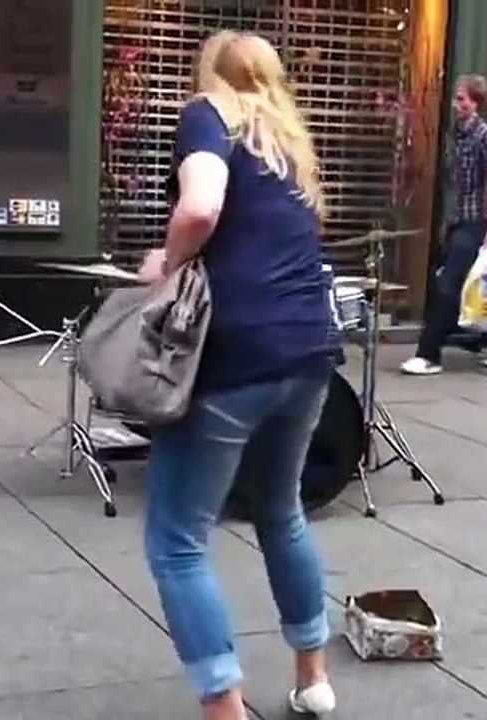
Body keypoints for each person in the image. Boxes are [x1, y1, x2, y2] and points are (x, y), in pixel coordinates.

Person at [134, 31, 339, 720]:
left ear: (210, 72)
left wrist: (164, 262)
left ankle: (224, 709)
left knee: (177, 539)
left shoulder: (207, 115)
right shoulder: (287, 142)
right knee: (282, 511)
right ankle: (314, 679)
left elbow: (199, 207)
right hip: (309, 353)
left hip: (232, 354)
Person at [401, 74, 487, 376]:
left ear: (476, 103)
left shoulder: (484, 135)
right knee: (462, 285)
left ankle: (428, 353)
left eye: (463, 99)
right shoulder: (457, 134)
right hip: (458, 219)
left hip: (476, 221)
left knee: (448, 285)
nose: (457, 104)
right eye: (457, 98)